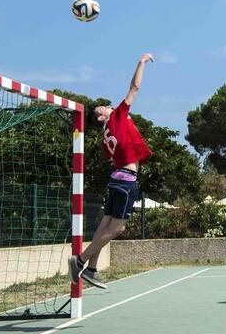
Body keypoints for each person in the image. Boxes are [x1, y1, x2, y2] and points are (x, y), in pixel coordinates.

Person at [68, 53, 154, 289]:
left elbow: (113, 157)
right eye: (104, 107)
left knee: (105, 224)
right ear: (103, 116)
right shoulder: (116, 117)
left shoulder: (105, 138)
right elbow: (135, 87)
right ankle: (81, 261)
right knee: (118, 227)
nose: (108, 105)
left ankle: (92, 270)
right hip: (126, 180)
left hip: (116, 178)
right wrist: (141, 62)